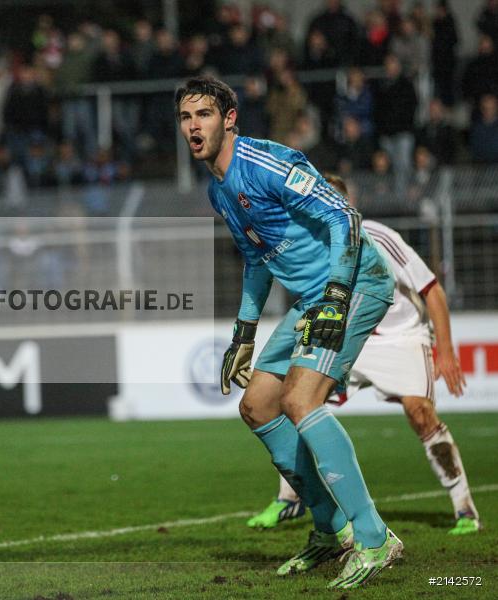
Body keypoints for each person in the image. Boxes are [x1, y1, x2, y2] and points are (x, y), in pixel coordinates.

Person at [176, 76, 401, 590]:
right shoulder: (219, 188)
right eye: (186, 118)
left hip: (355, 282)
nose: (193, 126)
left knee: (301, 399)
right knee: (256, 405)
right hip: (312, 300)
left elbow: (344, 213)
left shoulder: (266, 163)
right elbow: (259, 260)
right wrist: (243, 332)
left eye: (204, 115)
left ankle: (374, 538)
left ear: (229, 118)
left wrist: (339, 294)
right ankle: (330, 530)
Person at [247, 174, 481, 536]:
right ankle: (289, 498)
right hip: (351, 338)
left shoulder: (379, 235)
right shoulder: (309, 244)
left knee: (420, 413)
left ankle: (464, 508)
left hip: (401, 337)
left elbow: (431, 289)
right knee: (297, 403)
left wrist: (445, 350)